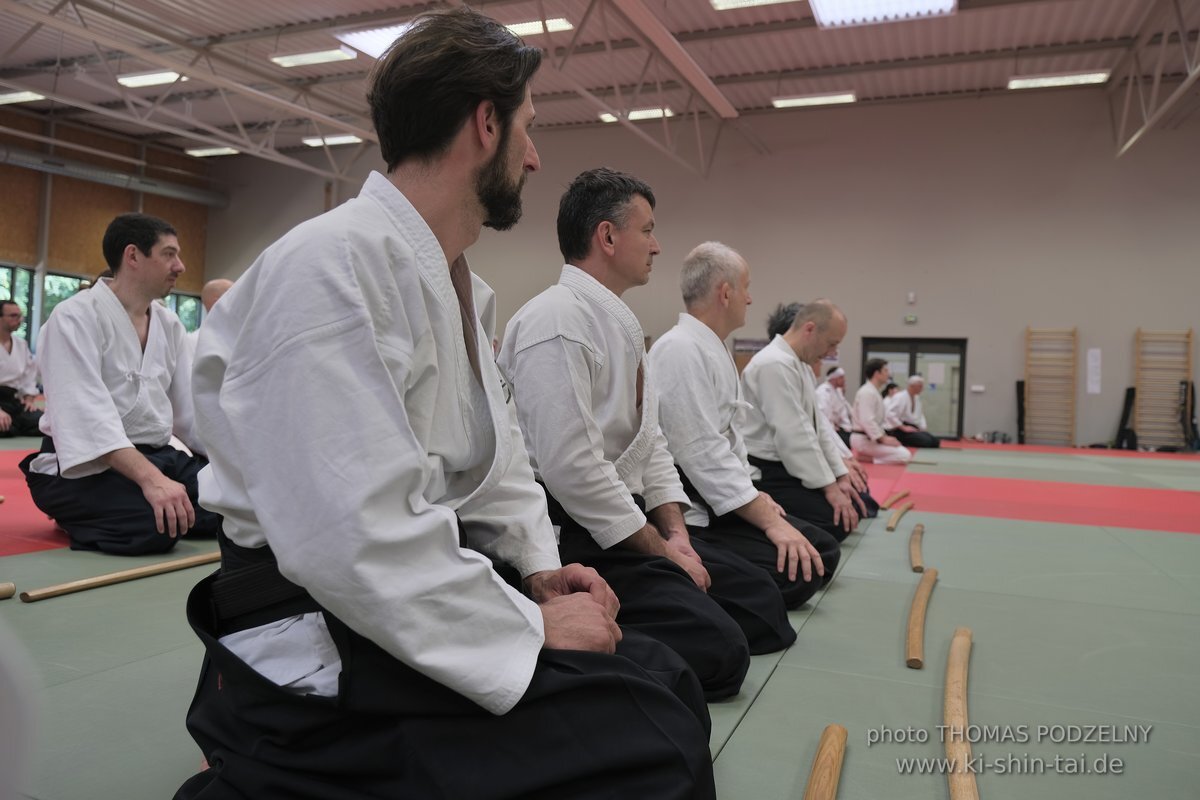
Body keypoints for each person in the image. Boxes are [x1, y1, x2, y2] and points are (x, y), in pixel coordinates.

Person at [176, 12, 714, 800]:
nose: (533, 158)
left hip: (411, 591)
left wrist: (539, 573)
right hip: (320, 625)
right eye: (526, 129)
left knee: (668, 677)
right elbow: (346, 533)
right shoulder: (329, 266)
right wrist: (530, 631)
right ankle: (267, 754)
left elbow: (496, 468)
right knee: (654, 746)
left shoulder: (459, 285)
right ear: (485, 123)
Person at [500, 169, 793, 701]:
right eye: (648, 230)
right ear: (607, 237)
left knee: (761, 603)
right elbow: (573, 471)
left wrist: (677, 535)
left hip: (629, 520)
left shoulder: (620, 322)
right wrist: (661, 549)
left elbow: (652, 444)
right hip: (578, 530)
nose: (658, 246)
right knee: (723, 652)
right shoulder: (556, 320)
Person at [650, 242, 838, 611]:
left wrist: (754, 497)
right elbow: (700, 451)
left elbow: (729, 440)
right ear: (726, 293)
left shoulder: (710, 348)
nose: (750, 299)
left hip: (724, 495)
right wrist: (767, 520)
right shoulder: (679, 350)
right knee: (798, 573)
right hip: (698, 508)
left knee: (822, 551)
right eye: (747, 287)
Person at [18, 214, 221, 555]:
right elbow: (85, 415)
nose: (181, 266)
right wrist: (152, 481)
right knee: (153, 527)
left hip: (157, 455)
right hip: (87, 464)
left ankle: (124, 503)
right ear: (133, 256)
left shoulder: (169, 324)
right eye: (169, 254)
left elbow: (190, 412)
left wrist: (233, 464)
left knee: (230, 508)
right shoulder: (74, 317)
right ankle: (73, 513)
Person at [741, 300, 866, 541]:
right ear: (809, 329)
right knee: (835, 522)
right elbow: (794, 435)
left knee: (853, 508)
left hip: (789, 466)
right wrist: (830, 488)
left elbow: (818, 430)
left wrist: (839, 476)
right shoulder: (773, 363)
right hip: (766, 470)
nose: (831, 353)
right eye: (832, 344)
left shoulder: (799, 364)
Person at [852, 358, 914, 464]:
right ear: (877, 373)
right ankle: (870, 459)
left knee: (901, 449)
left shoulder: (874, 391)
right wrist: (882, 439)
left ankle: (868, 456)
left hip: (871, 438)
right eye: (885, 370)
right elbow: (866, 420)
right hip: (863, 439)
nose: (888, 374)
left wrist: (884, 437)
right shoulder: (867, 392)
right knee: (904, 455)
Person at [0, 300, 42, 437]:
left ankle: (12, 426)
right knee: (5, 426)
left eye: (20, 315)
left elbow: (29, 376)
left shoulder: (21, 344)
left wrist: (29, 398)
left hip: (12, 401)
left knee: (44, 423)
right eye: (13, 316)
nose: (19, 319)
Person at [886, 373, 941, 448]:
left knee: (935, 442)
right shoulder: (900, 397)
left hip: (912, 427)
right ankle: (900, 440)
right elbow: (889, 414)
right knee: (926, 442)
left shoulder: (916, 398)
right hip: (899, 429)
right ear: (912, 386)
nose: (922, 388)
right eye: (920, 386)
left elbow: (920, 414)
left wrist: (923, 428)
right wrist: (903, 427)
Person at [816, 366, 853, 447]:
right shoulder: (823, 391)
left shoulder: (838, 392)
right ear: (834, 378)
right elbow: (824, 415)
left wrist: (849, 428)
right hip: (829, 430)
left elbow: (845, 413)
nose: (844, 380)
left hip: (840, 429)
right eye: (841, 377)